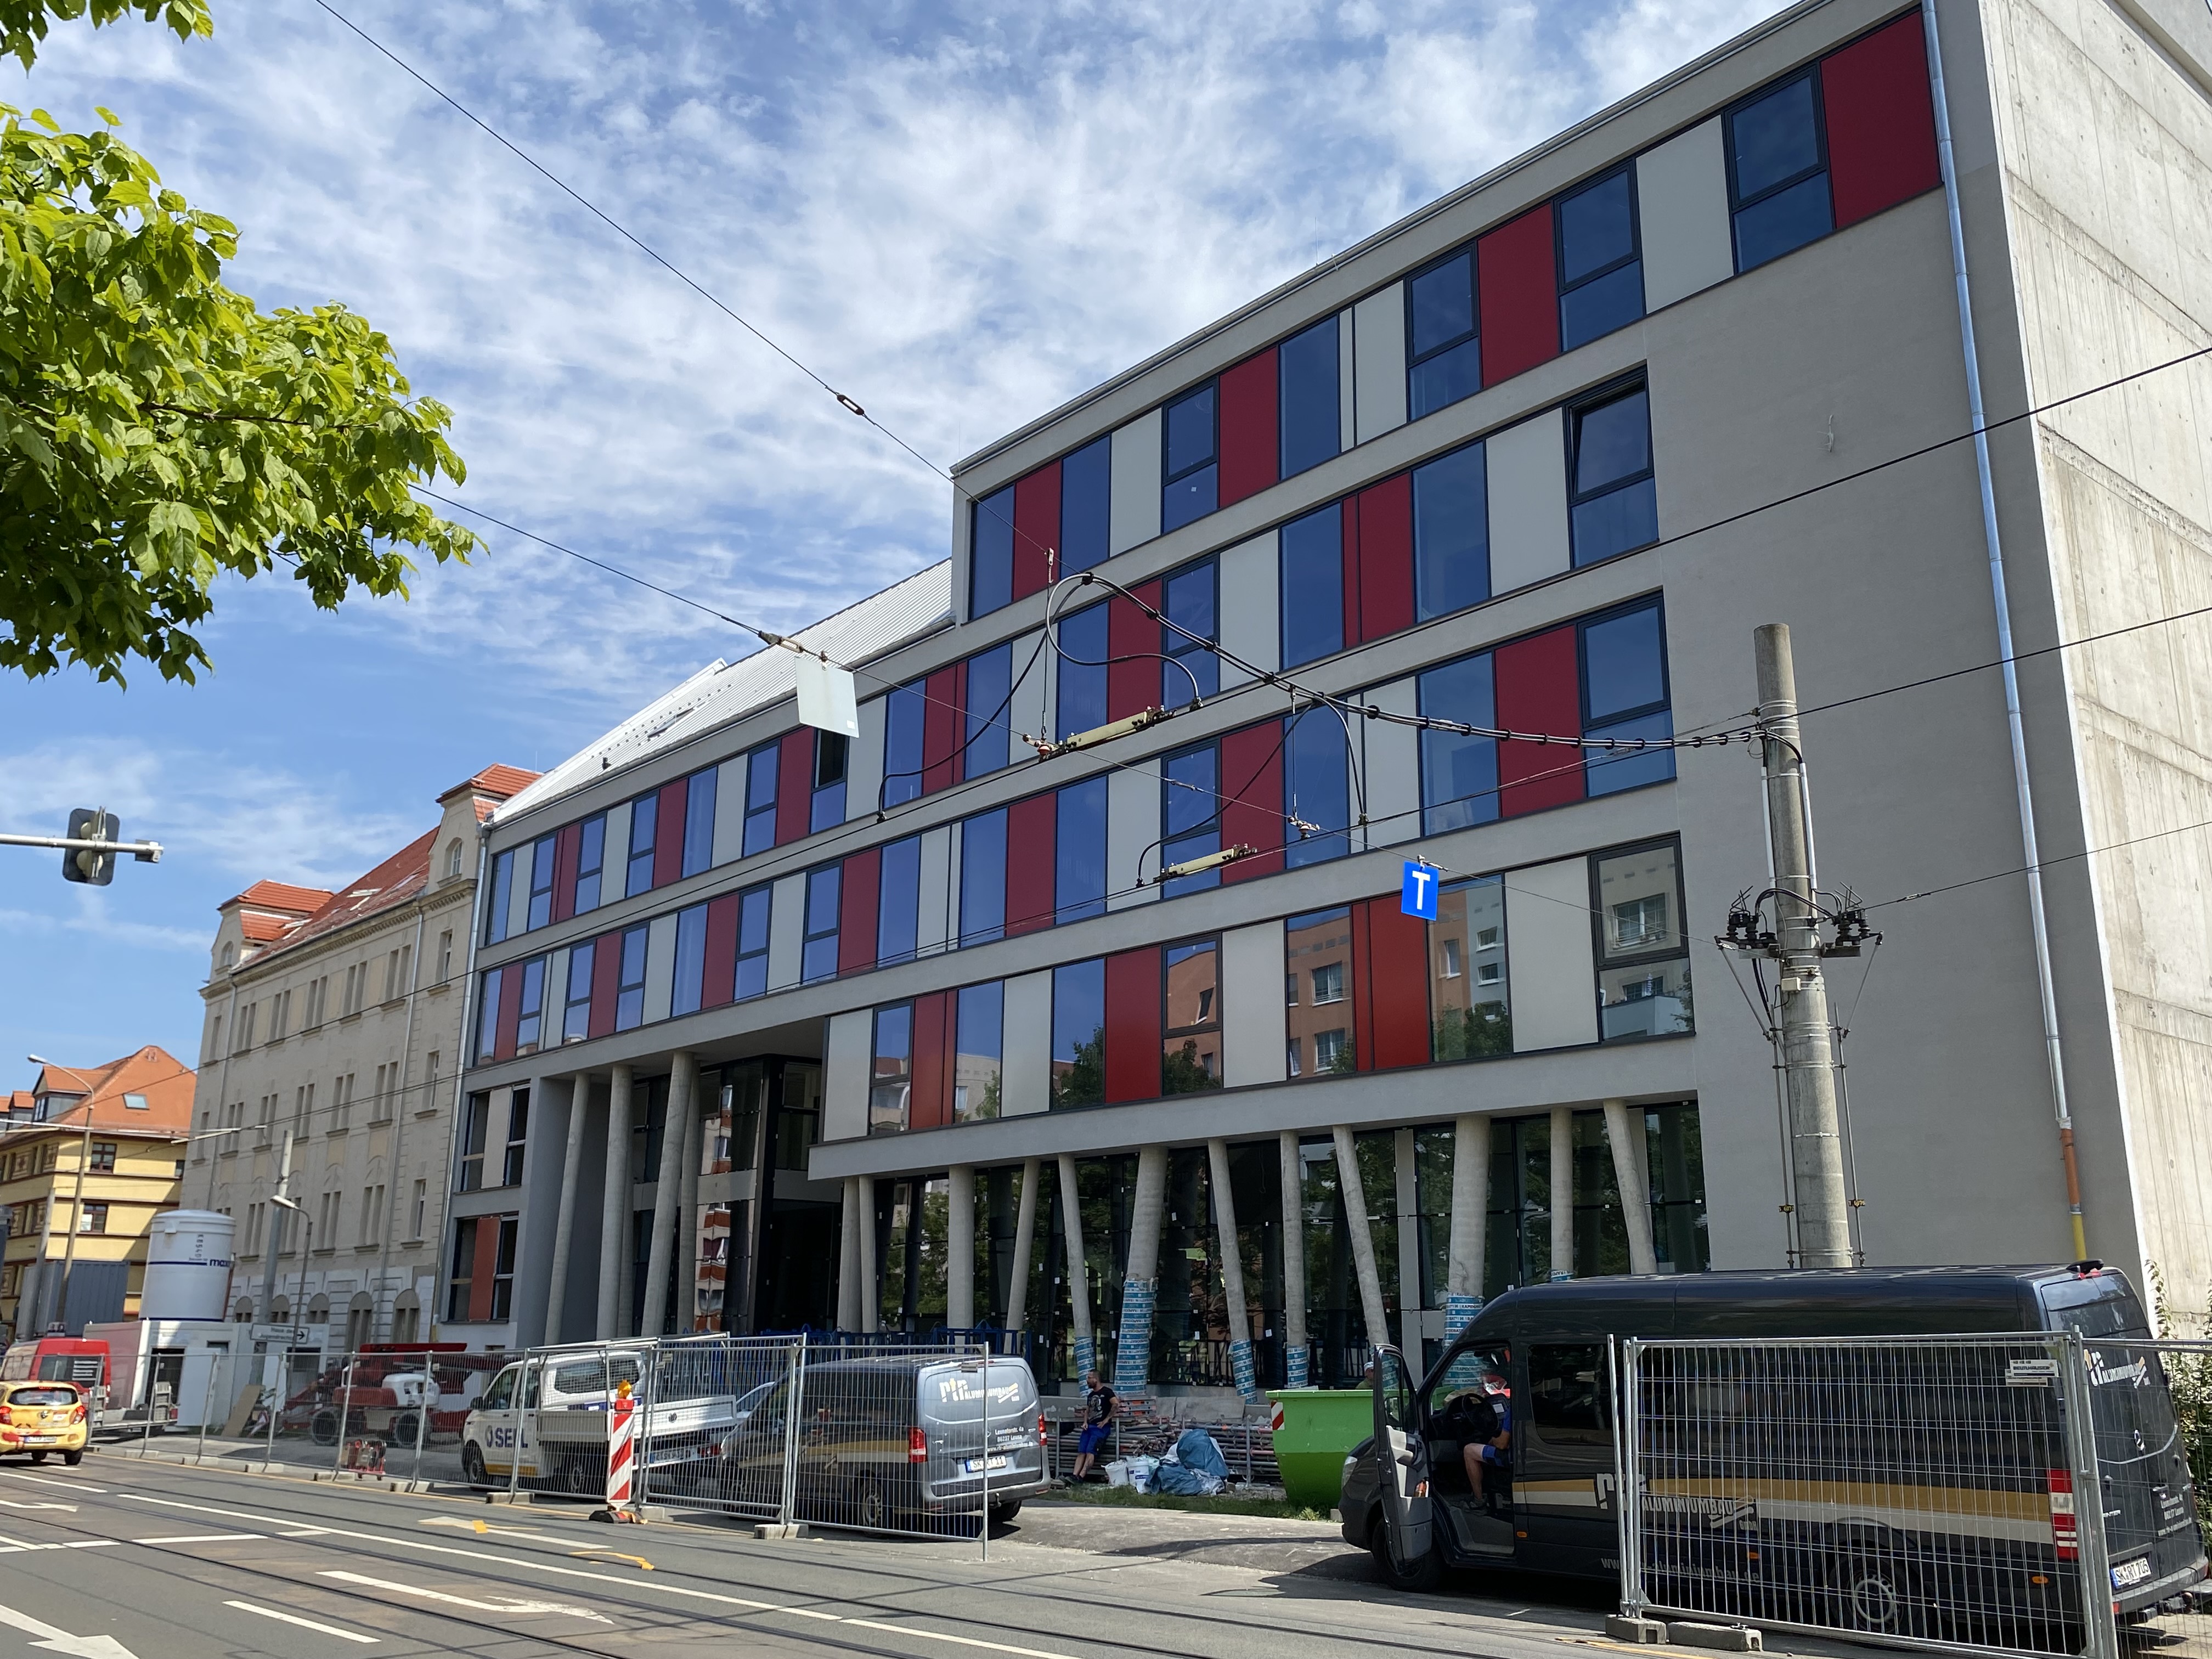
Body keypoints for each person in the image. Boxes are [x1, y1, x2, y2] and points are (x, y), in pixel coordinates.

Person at [1069, 1369, 1117, 1482]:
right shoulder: (1091, 1395)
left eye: (1089, 1378)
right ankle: (1074, 1475)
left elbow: (1116, 1404)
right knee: (1082, 1451)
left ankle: (1081, 1477)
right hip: (1089, 1427)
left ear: (1096, 1379)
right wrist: (1085, 1422)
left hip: (1100, 1428)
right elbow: (1088, 1410)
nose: (1087, 1380)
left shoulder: (1107, 1392)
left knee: (1091, 1451)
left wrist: (1106, 1420)